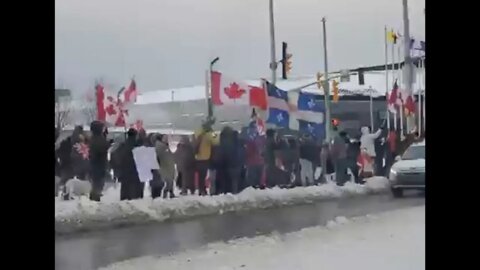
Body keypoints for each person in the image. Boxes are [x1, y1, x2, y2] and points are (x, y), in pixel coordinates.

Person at [193, 119, 217, 195]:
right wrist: (212, 132)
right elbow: (216, 140)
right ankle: (203, 191)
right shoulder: (207, 136)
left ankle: (201, 190)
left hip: (197, 158)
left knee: (200, 176)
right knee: (203, 176)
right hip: (205, 158)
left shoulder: (198, 134)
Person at [118, 128, 141, 200]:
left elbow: (119, 157)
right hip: (134, 169)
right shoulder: (137, 145)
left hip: (124, 169)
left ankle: (124, 198)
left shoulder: (123, 145)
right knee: (133, 187)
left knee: (125, 186)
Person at [88, 121, 110, 201]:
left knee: (96, 182)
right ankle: (95, 198)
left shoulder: (93, 138)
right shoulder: (97, 139)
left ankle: (94, 197)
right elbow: (101, 147)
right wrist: (109, 143)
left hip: (95, 164)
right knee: (98, 183)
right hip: (99, 165)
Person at [155, 134, 176, 199]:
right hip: (165, 166)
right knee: (169, 180)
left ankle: (170, 192)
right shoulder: (161, 146)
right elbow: (166, 156)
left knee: (169, 180)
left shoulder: (162, 146)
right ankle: (167, 191)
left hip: (166, 166)